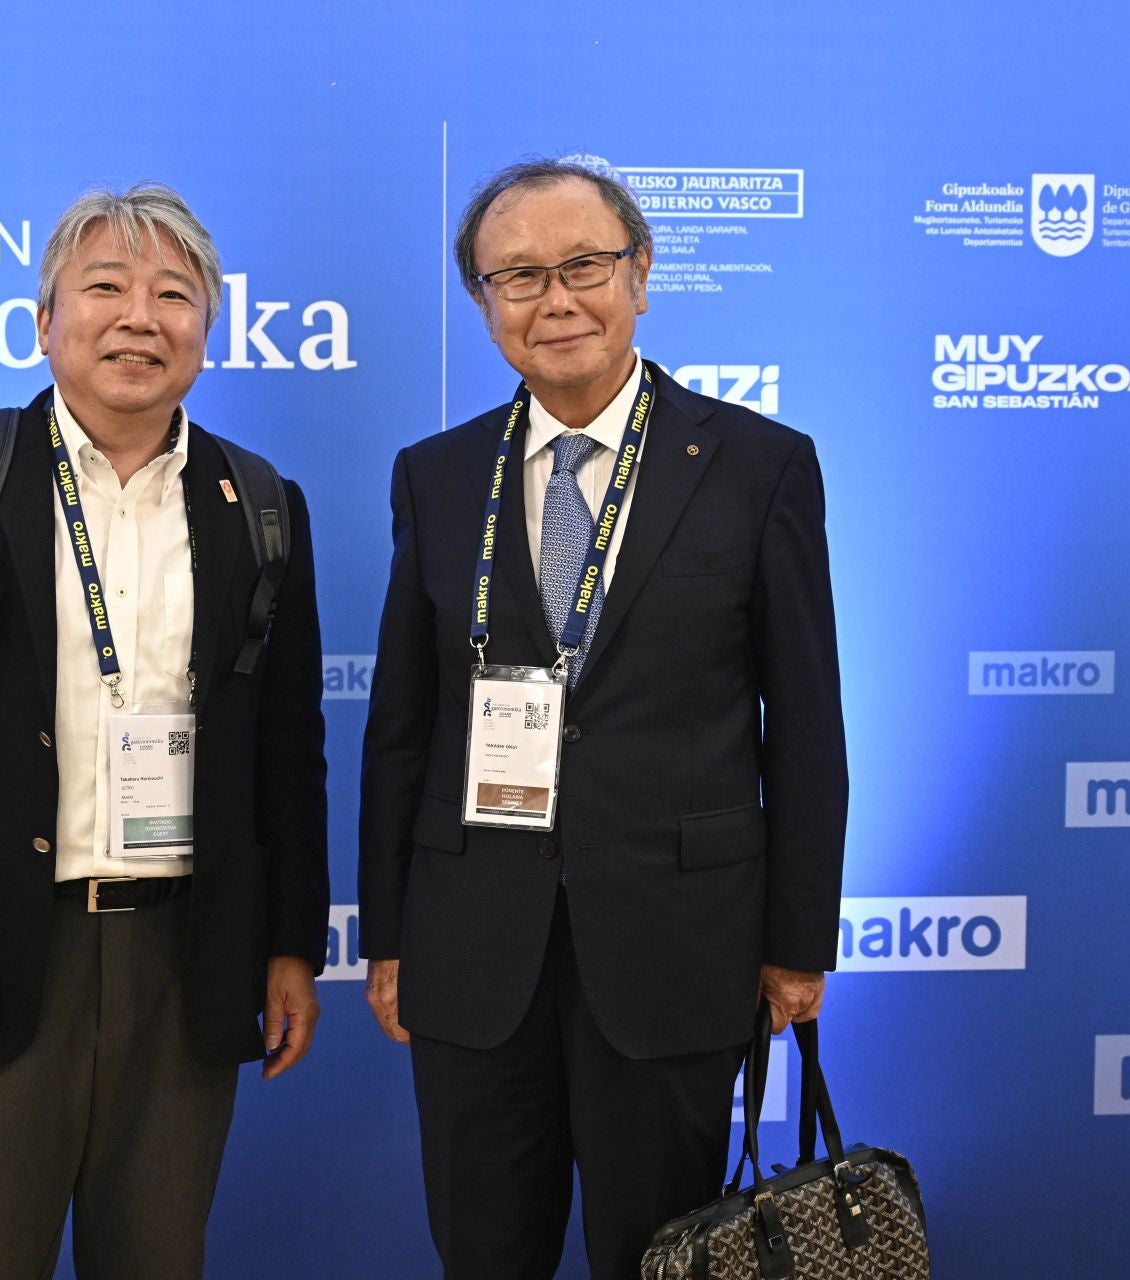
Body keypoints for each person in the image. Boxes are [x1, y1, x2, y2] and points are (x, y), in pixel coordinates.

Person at [358, 158, 848, 1279]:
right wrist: (390, 933)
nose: (556, 299)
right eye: (517, 275)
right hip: (475, 948)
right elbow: (403, 723)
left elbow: (808, 723)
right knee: (484, 1251)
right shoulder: (437, 476)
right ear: (485, 306)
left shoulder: (758, 465)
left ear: (641, 276)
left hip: (677, 948)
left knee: (662, 1254)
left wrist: (795, 940)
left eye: (584, 264)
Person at [0, 181, 329, 1279]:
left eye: (173, 293)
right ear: (45, 320)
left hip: (187, 957)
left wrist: (292, 941)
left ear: (210, 327)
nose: (139, 317)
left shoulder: (263, 502)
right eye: (104, 287)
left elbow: (289, 746)